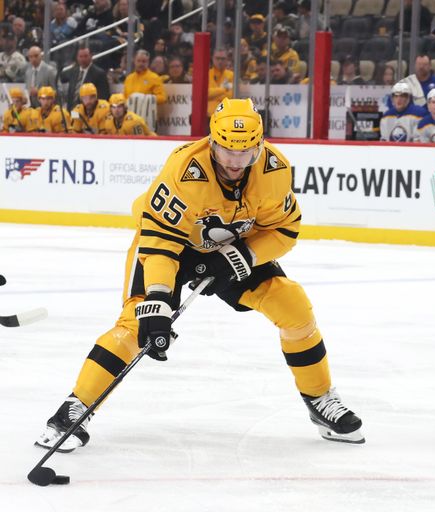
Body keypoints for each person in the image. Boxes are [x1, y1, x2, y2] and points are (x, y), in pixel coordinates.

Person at [35, 98, 365, 453]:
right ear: (212, 142)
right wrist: (159, 299)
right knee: (136, 324)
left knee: (294, 307)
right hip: (171, 247)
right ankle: (75, 409)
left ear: (259, 145)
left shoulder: (275, 170)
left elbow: (285, 229)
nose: (236, 163)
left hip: (230, 250)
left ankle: (320, 400)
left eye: (246, 152)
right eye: (226, 151)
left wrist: (243, 257)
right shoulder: (185, 168)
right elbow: (160, 241)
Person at [62, 45, 111, 110]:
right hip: (72, 110)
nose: (83, 59)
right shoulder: (73, 71)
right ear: (77, 57)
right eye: (81, 56)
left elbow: (103, 96)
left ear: (91, 56)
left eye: (85, 56)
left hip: (89, 112)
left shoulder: (99, 73)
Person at [208, 49, 233, 117]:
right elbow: (206, 94)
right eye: (217, 58)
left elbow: (230, 96)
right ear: (212, 58)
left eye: (223, 59)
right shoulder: (207, 74)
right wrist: (224, 89)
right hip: (209, 116)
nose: (220, 61)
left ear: (227, 60)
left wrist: (213, 95)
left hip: (225, 116)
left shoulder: (231, 75)